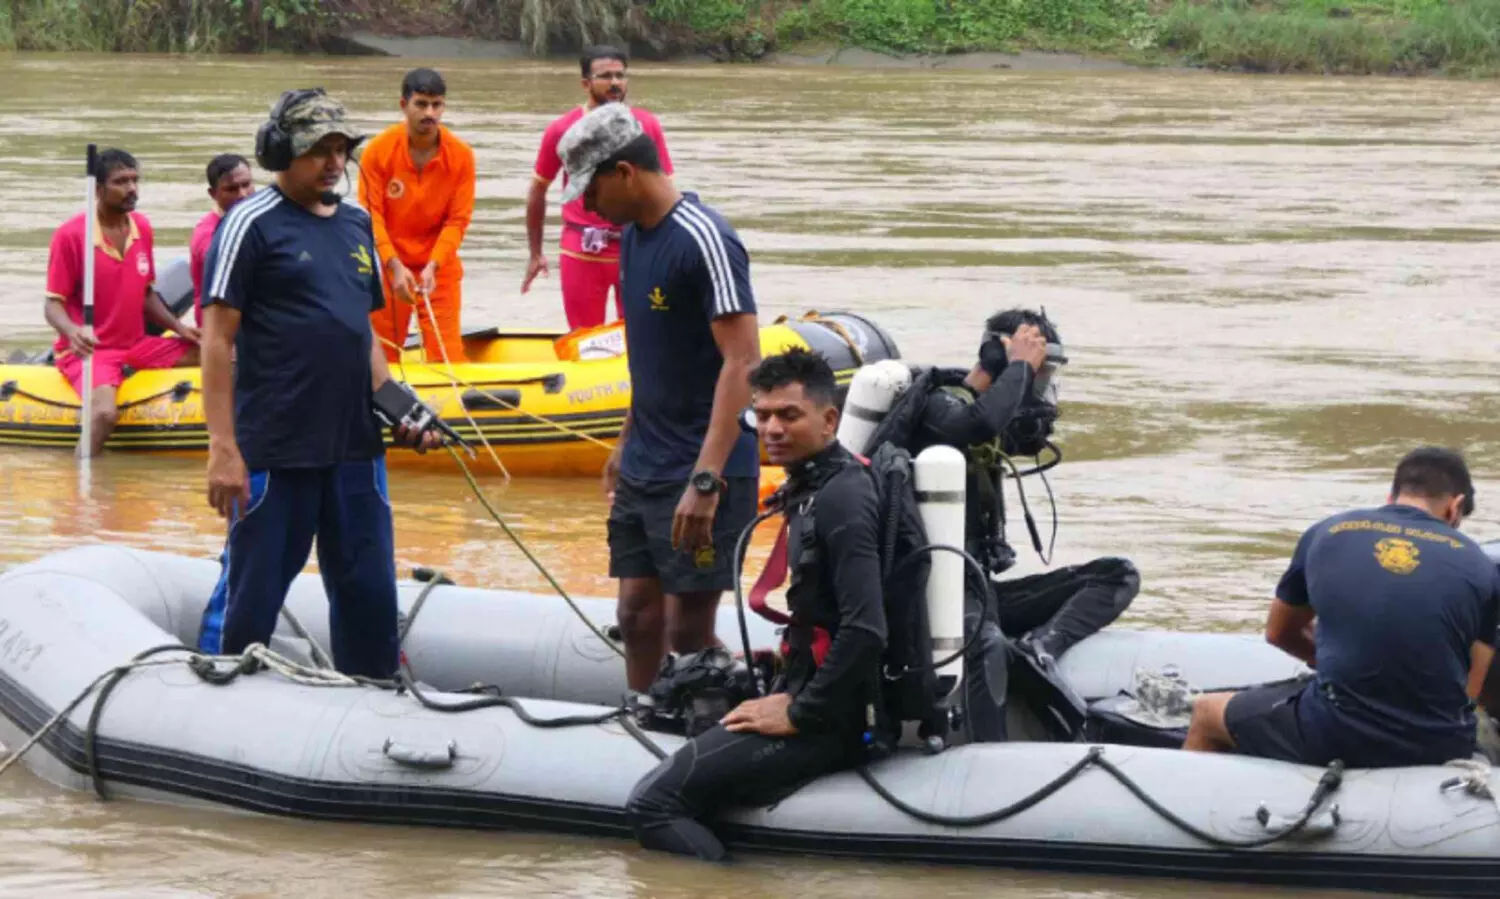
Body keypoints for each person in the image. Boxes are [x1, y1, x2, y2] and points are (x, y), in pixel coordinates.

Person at [195, 88, 439, 678]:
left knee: (369, 590)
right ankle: (219, 683)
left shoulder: (357, 226)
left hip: (355, 448)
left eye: (340, 150)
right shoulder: (248, 225)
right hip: (276, 448)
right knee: (252, 591)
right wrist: (223, 448)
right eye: (318, 151)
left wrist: (400, 408)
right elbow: (217, 340)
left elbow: (362, 338)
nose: (333, 163)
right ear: (281, 153)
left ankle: (372, 693)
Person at [627, 348, 884, 861]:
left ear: (829, 419)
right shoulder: (818, 485)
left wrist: (801, 711)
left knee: (653, 805)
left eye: (789, 415)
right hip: (818, 695)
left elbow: (867, 627)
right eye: (762, 415)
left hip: (833, 721)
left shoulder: (842, 500)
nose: (772, 429)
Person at [556, 103, 761, 695]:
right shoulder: (631, 239)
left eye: (590, 189)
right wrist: (624, 440)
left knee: (687, 628)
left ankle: (707, 724)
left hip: (701, 466)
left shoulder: (705, 240)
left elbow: (742, 361)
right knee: (635, 615)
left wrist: (706, 480)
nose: (585, 206)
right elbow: (650, 355)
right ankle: (645, 713)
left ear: (624, 172)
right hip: (645, 458)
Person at [865, 308, 1138, 741]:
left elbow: (1011, 431)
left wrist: (1027, 398)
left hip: (978, 590)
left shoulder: (991, 417)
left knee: (1117, 575)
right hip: (932, 597)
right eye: (1036, 370)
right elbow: (977, 424)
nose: (1039, 383)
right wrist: (1017, 369)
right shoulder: (939, 406)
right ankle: (988, 757)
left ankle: (1040, 649)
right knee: (987, 643)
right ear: (998, 357)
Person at [1184, 447, 1500, 768]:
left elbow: (1279, 632)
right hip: (1440, 744)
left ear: (1391, 496)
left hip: (1337, 730)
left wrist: (1344, 666)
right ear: (1455, 508)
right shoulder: (1481, 565)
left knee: (1206, 713)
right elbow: (1467, 691)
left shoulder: (1327, 532)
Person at [44, 148, 201, 457]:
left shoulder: (141, 227)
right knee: (103, 414)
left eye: (134, 180)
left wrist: (179, 328)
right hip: (92, 350)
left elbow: (146, 294)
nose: (132, 189)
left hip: (137, 343)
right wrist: (74, 331)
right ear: (99, 189)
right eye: (121, 181)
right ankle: (83, 487)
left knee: (226, 353)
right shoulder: (72, 235)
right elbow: (52, 304)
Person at [523, 45, 674, 330]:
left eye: (620, 75)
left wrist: (665, 248)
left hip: (634, 245)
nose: (615, 83)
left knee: (640, 333)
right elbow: (538, 190)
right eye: (605, 76)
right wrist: (535, 253)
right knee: (584, 338)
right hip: (581, 248)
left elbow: (663, 188)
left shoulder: (646, 125)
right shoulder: (562, 130)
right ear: (585, 83)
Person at [359, 67, 475, 364]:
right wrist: (393, 263)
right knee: (382, 358)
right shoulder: (377, 152)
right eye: (421, 104)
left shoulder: (461, 156)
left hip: (439, 266)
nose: (430, 113)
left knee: (448, 358)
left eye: (437, 105)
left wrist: (434, 264)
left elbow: (457, 221)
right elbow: (372, 218)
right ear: (404, 105)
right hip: (389, 266)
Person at [189, 154, 256, 326]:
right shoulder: (209, 236)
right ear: (213, 194)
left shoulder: (255, 222)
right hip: (221, 330)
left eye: (247, 185)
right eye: (232, 189)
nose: (243, 194)